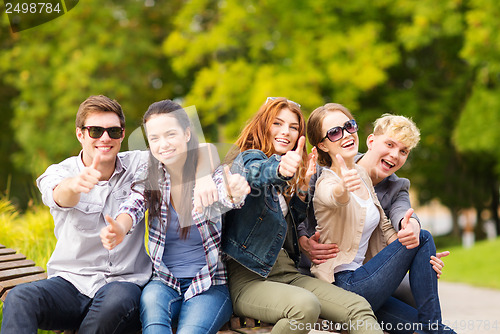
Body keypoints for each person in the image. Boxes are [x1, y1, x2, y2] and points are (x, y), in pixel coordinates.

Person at [222, 97, 383, 334]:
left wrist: (303, 189)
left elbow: (288, 225)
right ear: (263, 125)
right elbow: (257, 173)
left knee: (358, 308)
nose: (286, 132)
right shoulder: (247, 160)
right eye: (277, 124)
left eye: (294, 127)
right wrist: (279, 169)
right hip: (250, 279)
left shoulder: (288, 181)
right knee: (305, 306)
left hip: (287, 274)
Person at [1, 95, 152, 334]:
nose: (105, 138)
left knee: (116, 303)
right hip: (71, 284)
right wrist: (74, 185)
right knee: (20, 297)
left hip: (124, 283)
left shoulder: (139, 164)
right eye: (95, 131)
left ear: (123, 134)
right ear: (80, 134)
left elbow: (185, 151)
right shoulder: (61, 172)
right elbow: (58, 195)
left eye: (113, 131)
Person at [100, 99, 251, 334]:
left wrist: (234, 193)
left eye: (171, 134)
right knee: (153, 322)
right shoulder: (151, 175)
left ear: (187, 134)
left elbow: (224, 196)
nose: (163, 145)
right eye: (155, 138)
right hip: (164, 281)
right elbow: (134, 205)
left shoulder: (209, 174)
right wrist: (120, 227)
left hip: (209, 284)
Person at [306, 103, 455, 333]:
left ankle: (433, 328)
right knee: (423, 239)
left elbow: (398, 217)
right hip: (343, 285)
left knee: (426, 328)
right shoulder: (325, 178)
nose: (395, 154)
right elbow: (331, 197)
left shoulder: (370, 177)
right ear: (371, 141)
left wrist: (422, 256)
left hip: (369, 279)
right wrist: (342, 189)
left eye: (349, 126)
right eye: (335, 132)